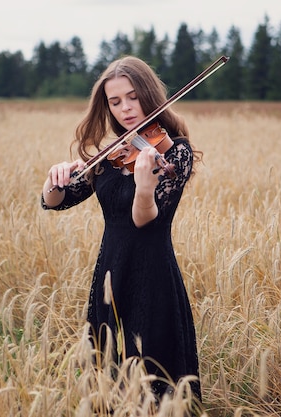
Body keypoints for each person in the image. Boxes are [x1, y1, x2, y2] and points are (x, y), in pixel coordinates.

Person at [41, 56, 202, 405]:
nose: (125, 108)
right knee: (109, 377)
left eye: (132, 97)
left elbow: (145, 220)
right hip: (110, 275)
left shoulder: (176, 152)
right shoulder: (112, 156)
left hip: (153, 276)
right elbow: (58, 201)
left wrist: (144, 188)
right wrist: (53, 180)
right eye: (115, 102)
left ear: (148, 94)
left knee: (157, 383)